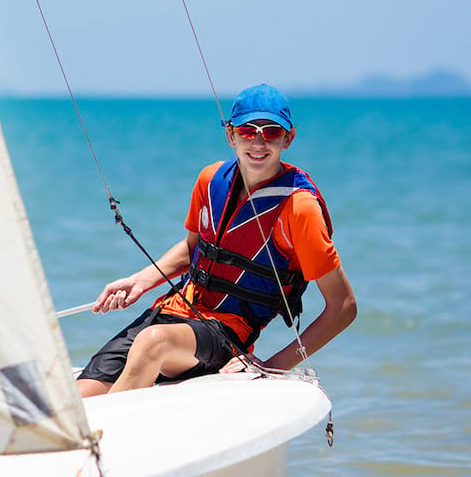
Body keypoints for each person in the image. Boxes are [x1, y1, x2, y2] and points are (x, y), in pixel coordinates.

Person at [77, 83, 357, 397]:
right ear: (231, 135)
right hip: (174, 312)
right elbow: (193, 250)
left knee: (153, 342)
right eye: (248, 131)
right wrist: (140, 281)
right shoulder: (210, 180)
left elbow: (343, 307)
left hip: (227, 335)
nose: (259, 142)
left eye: (271, 132)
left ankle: (103, 444)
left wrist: (272, 366)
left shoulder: (299, 207)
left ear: (288, 138)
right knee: (78, 396)